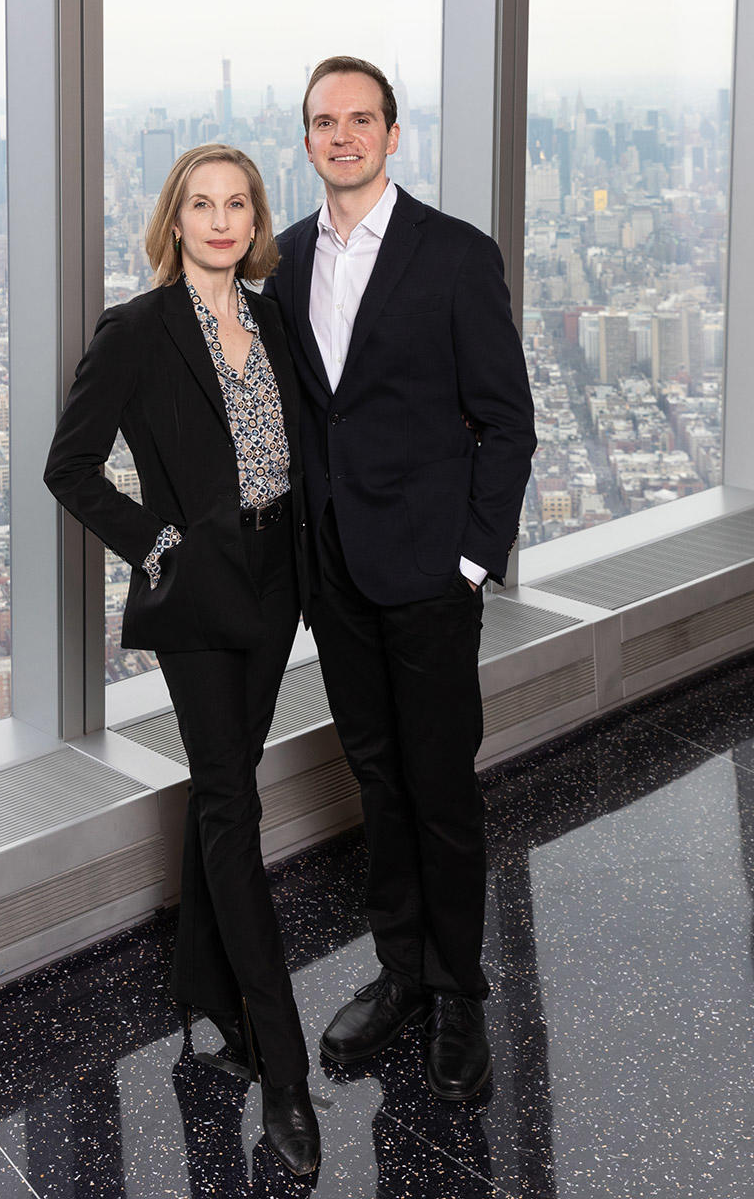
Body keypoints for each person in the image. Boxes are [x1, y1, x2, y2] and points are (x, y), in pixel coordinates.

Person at [43, 143, 319, 1175]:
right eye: (200, 203)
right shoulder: (141, 329)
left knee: (222, 792)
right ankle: (283, 1069)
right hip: (201, 590)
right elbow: (68, 466)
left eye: (236, 203)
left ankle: (205, 990)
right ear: (175, 218)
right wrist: (159, 544)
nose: (218, 219)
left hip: (280, 576)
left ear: (254, 220)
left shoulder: (273, 319)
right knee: (233, 808)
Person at [264, 57, 536, 1101]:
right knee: (376, 783)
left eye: (360, 119)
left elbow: (508, 423)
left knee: (439, 788)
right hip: (334, 574)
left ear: (389, 132)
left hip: (429, 575)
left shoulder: (455, 256)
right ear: (307, 141)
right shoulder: (284, 263)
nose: (343, 136)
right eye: (324, 123)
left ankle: (459, 990)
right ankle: (399, 973)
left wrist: (471, 559)